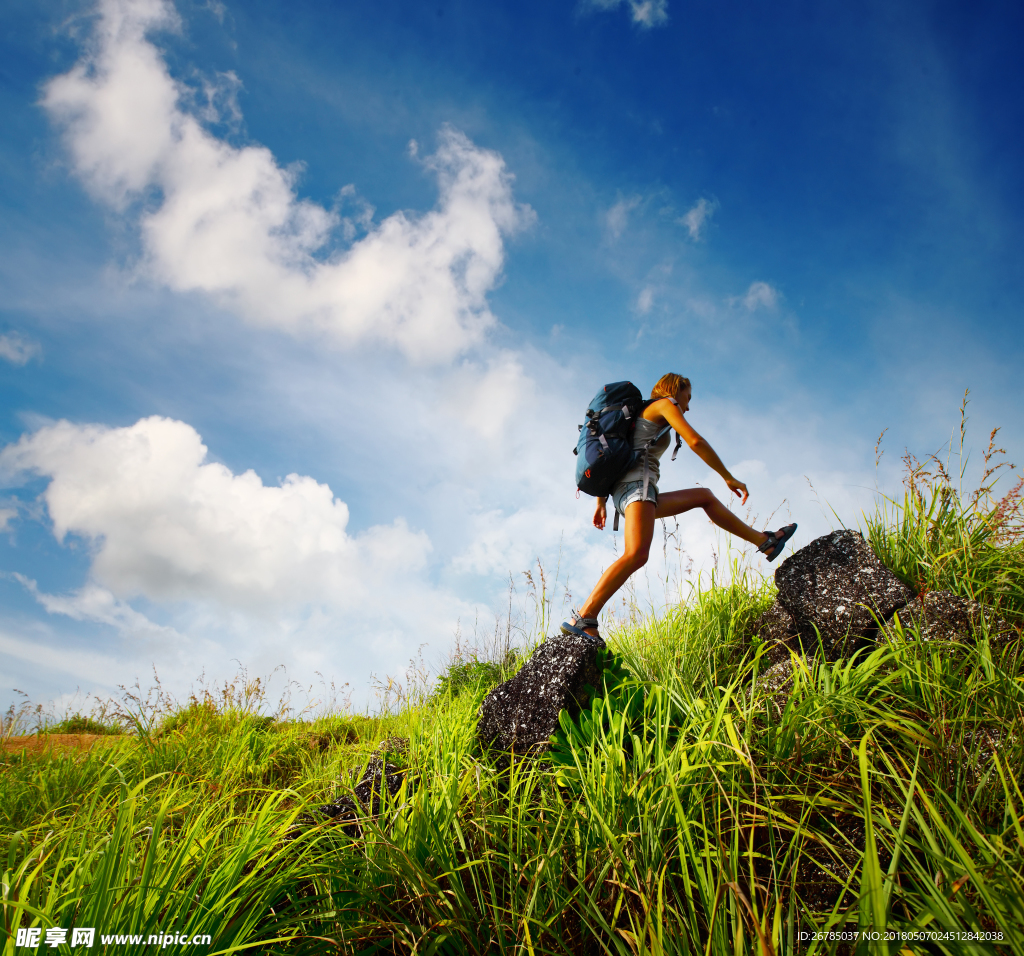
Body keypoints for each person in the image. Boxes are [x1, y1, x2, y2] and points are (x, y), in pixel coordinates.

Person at [562, 372, 796, 640]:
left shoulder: (640, 413)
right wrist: (728, 476)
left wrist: (601, 503)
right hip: (636, 488)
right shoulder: (664, 405)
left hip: (631, 490)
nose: (688, 404)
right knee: (636, 554)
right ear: (676, 390)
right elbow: (695, 441)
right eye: (688, 396)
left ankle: (765, 541)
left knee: (704, 496)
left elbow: (615, 453)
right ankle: (583, 617)